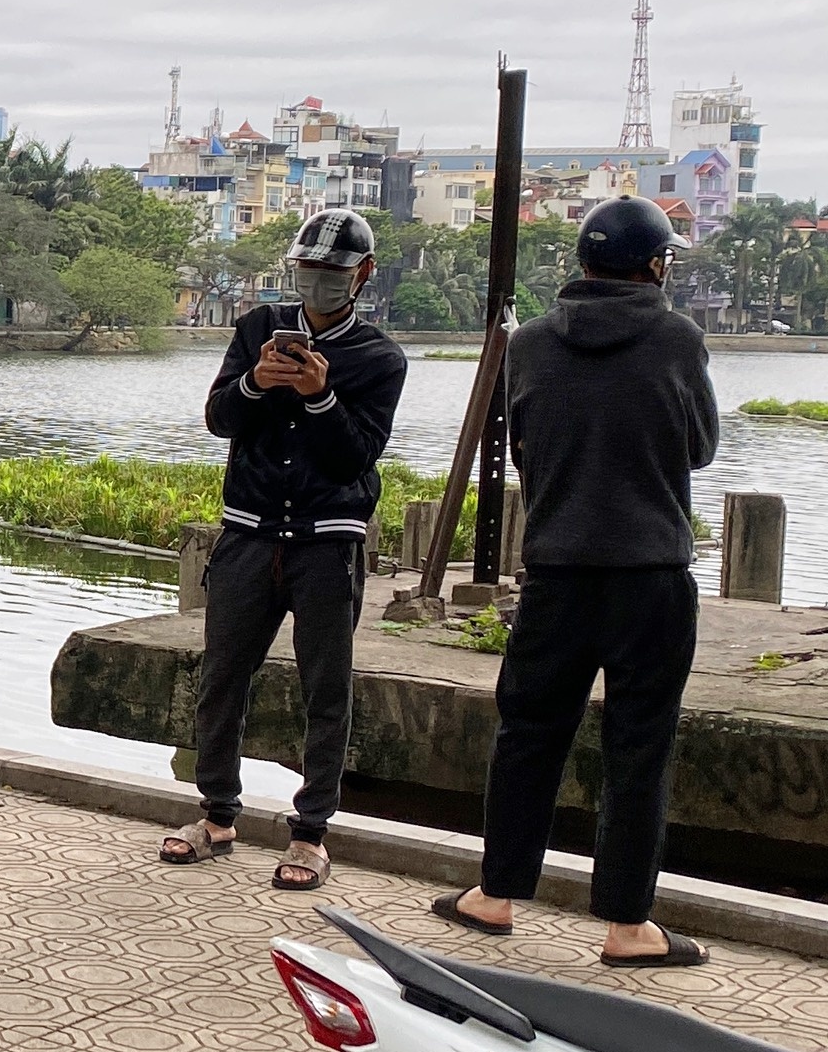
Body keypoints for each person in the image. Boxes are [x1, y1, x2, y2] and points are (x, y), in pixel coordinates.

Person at [431, 195, 717, 966]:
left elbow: (524, 443)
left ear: (584, 262)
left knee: (528, 735)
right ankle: (628, 927)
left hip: (556, 571)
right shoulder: (679, 339)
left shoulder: (529, 343)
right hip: (651, 575)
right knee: (639, 747)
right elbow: (700, 448)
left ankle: (495, 895)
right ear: (654, 265)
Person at [160, 208, 407, 890]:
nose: (317, 281)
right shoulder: (258, 329)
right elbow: (219, 419)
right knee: (222, 677)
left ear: (362, 274)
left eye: (332, 271)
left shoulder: (381, 358)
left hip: (327, 542)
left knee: (325, 687)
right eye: (307, 269)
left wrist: (321, 397)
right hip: (248, 531)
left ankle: (311, 833)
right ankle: (216, 815)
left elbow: (355, 457)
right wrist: (255, 384)